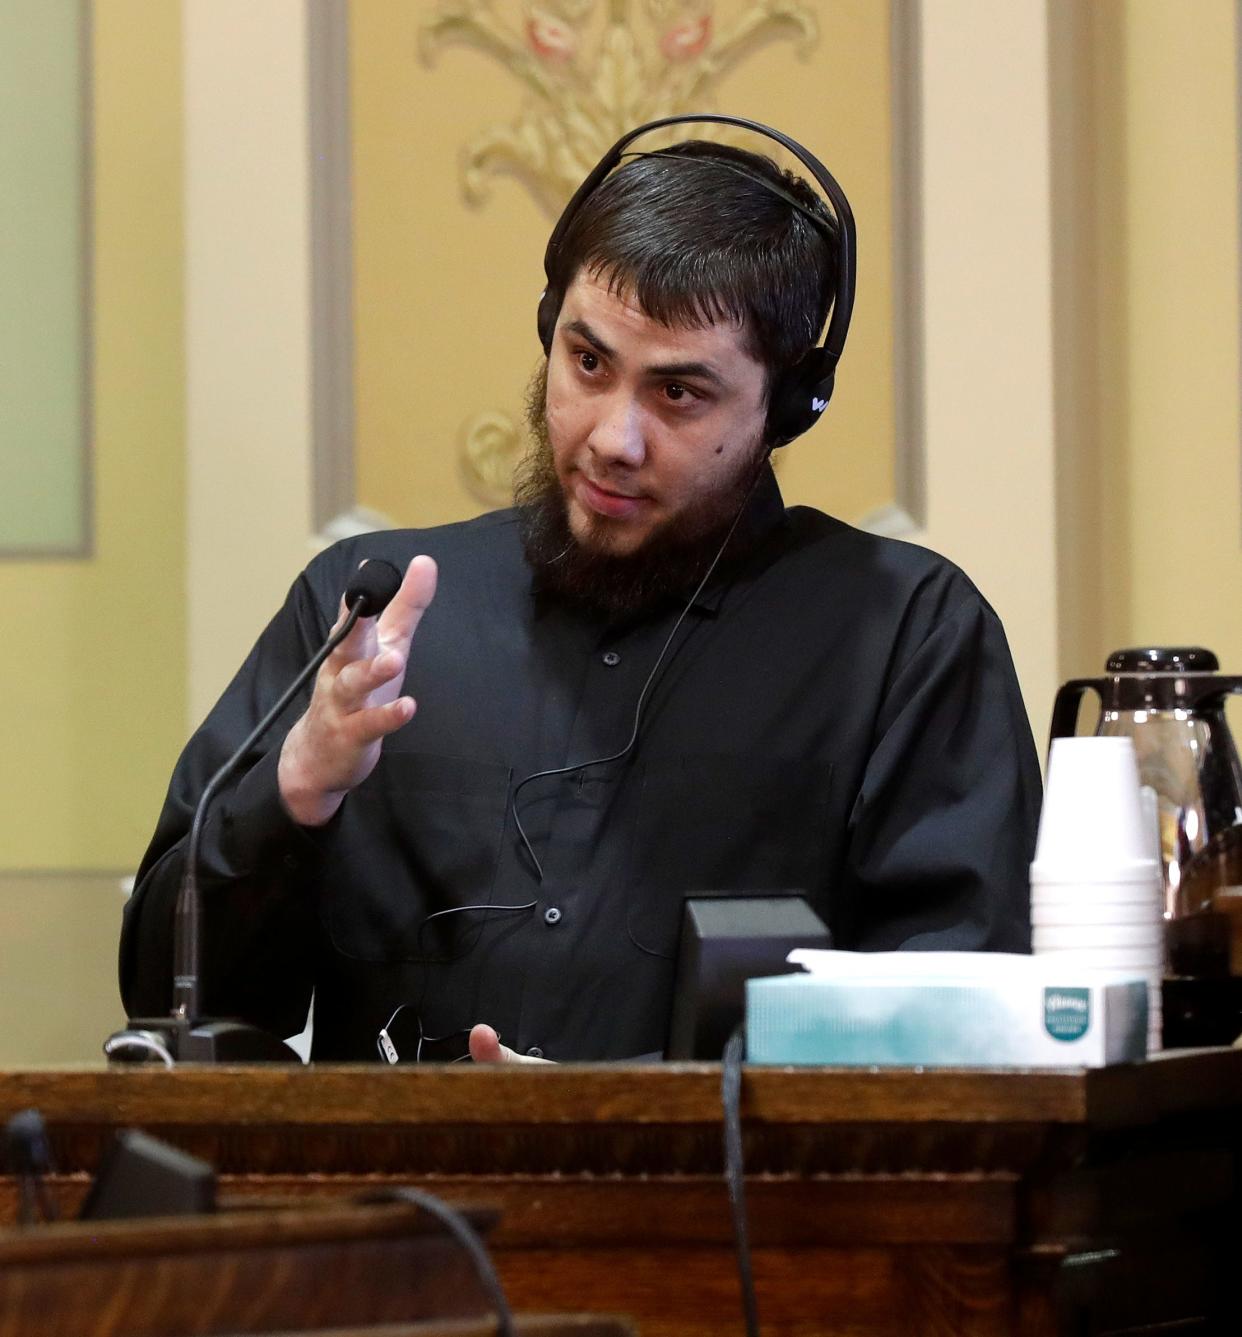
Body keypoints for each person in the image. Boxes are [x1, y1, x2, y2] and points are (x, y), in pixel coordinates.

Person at [120, 120, 1041, 1064]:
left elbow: (957, 1018)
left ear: (787, 406)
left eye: (679, 394)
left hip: (747, 1209)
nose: (613, 437)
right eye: (588, 363)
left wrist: (617, 1104)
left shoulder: (908, 637)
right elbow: (169, 1005)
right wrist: (294, 790)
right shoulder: (367, 617)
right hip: (399, 1205)